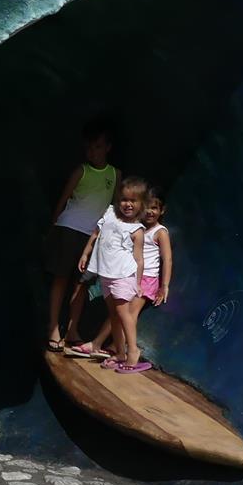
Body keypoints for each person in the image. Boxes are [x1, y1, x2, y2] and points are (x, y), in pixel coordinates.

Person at [44, 118, 117, 350]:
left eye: (97, 147)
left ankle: (73, 330)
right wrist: (53, 226)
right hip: (68, 230)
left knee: (81, 284)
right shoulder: (81, 171)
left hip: (91, 236)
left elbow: (113, 210)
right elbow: (64, 199)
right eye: (89, 147)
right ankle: (53, 327)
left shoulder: (115, 175)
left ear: (108, 147)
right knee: (61, 278)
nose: (92, 152)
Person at [69, 177, 151, 372]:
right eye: (124, 200)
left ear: (141, 204)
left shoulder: (137, 230)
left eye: (133, 201)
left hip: (123, 276)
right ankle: (120, 353)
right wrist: (86, 253)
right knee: (114, 314)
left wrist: (137, 283)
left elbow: (139, 260)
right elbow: (96, 235)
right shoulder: (109, 214)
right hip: (107, 274)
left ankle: (133, 351)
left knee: (124, 314)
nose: (128, 204)